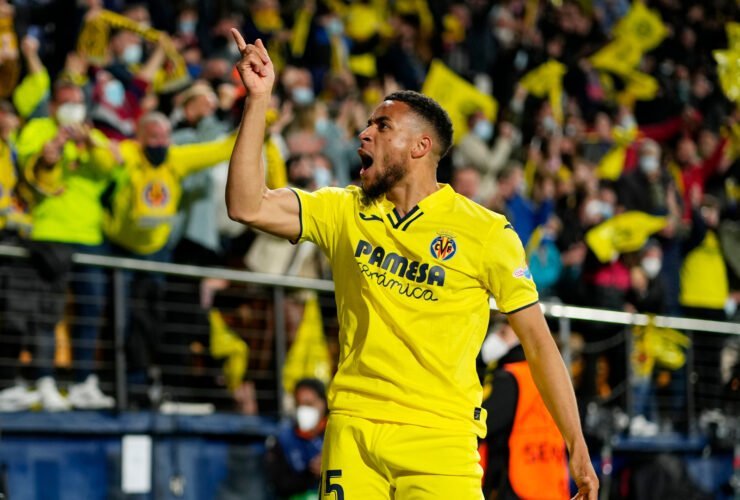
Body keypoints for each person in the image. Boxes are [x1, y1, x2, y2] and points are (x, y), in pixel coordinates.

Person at [226, 31, 597, 499]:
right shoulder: (344, 210)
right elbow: (246, 205)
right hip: (354, 431)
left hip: (441, 440)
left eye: (382, 126)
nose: (365, 134)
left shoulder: (486, 232)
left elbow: (540, 345)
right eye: (367, 124)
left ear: (420, 147)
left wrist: (576, 446)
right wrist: (258, 100)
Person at [479, 320, 569, 500]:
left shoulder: (510, 378)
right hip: (550, 484)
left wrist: (479, 365)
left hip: (514, 485)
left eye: (504, 332)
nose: (495, 337)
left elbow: (481, 425)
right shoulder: (552, 377)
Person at [265, 377, 328, 500]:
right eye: (299, 405)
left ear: (324, 403)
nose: (304, 411)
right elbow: (279, 483)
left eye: (309, 404)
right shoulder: (284, 439)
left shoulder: (335, 435)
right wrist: (311, 474)